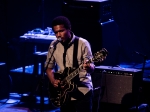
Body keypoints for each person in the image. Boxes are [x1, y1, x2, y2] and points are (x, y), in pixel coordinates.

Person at [45, 16, 95, 112]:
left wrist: (88, 67)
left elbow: (92, 68)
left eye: (61, 31)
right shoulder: (53, 45)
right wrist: (53, 81)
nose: (58, 35)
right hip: (64, 93)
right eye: (56, 32)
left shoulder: (83, 43)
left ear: (69, 29)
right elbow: (48, 68)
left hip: (82, 91)